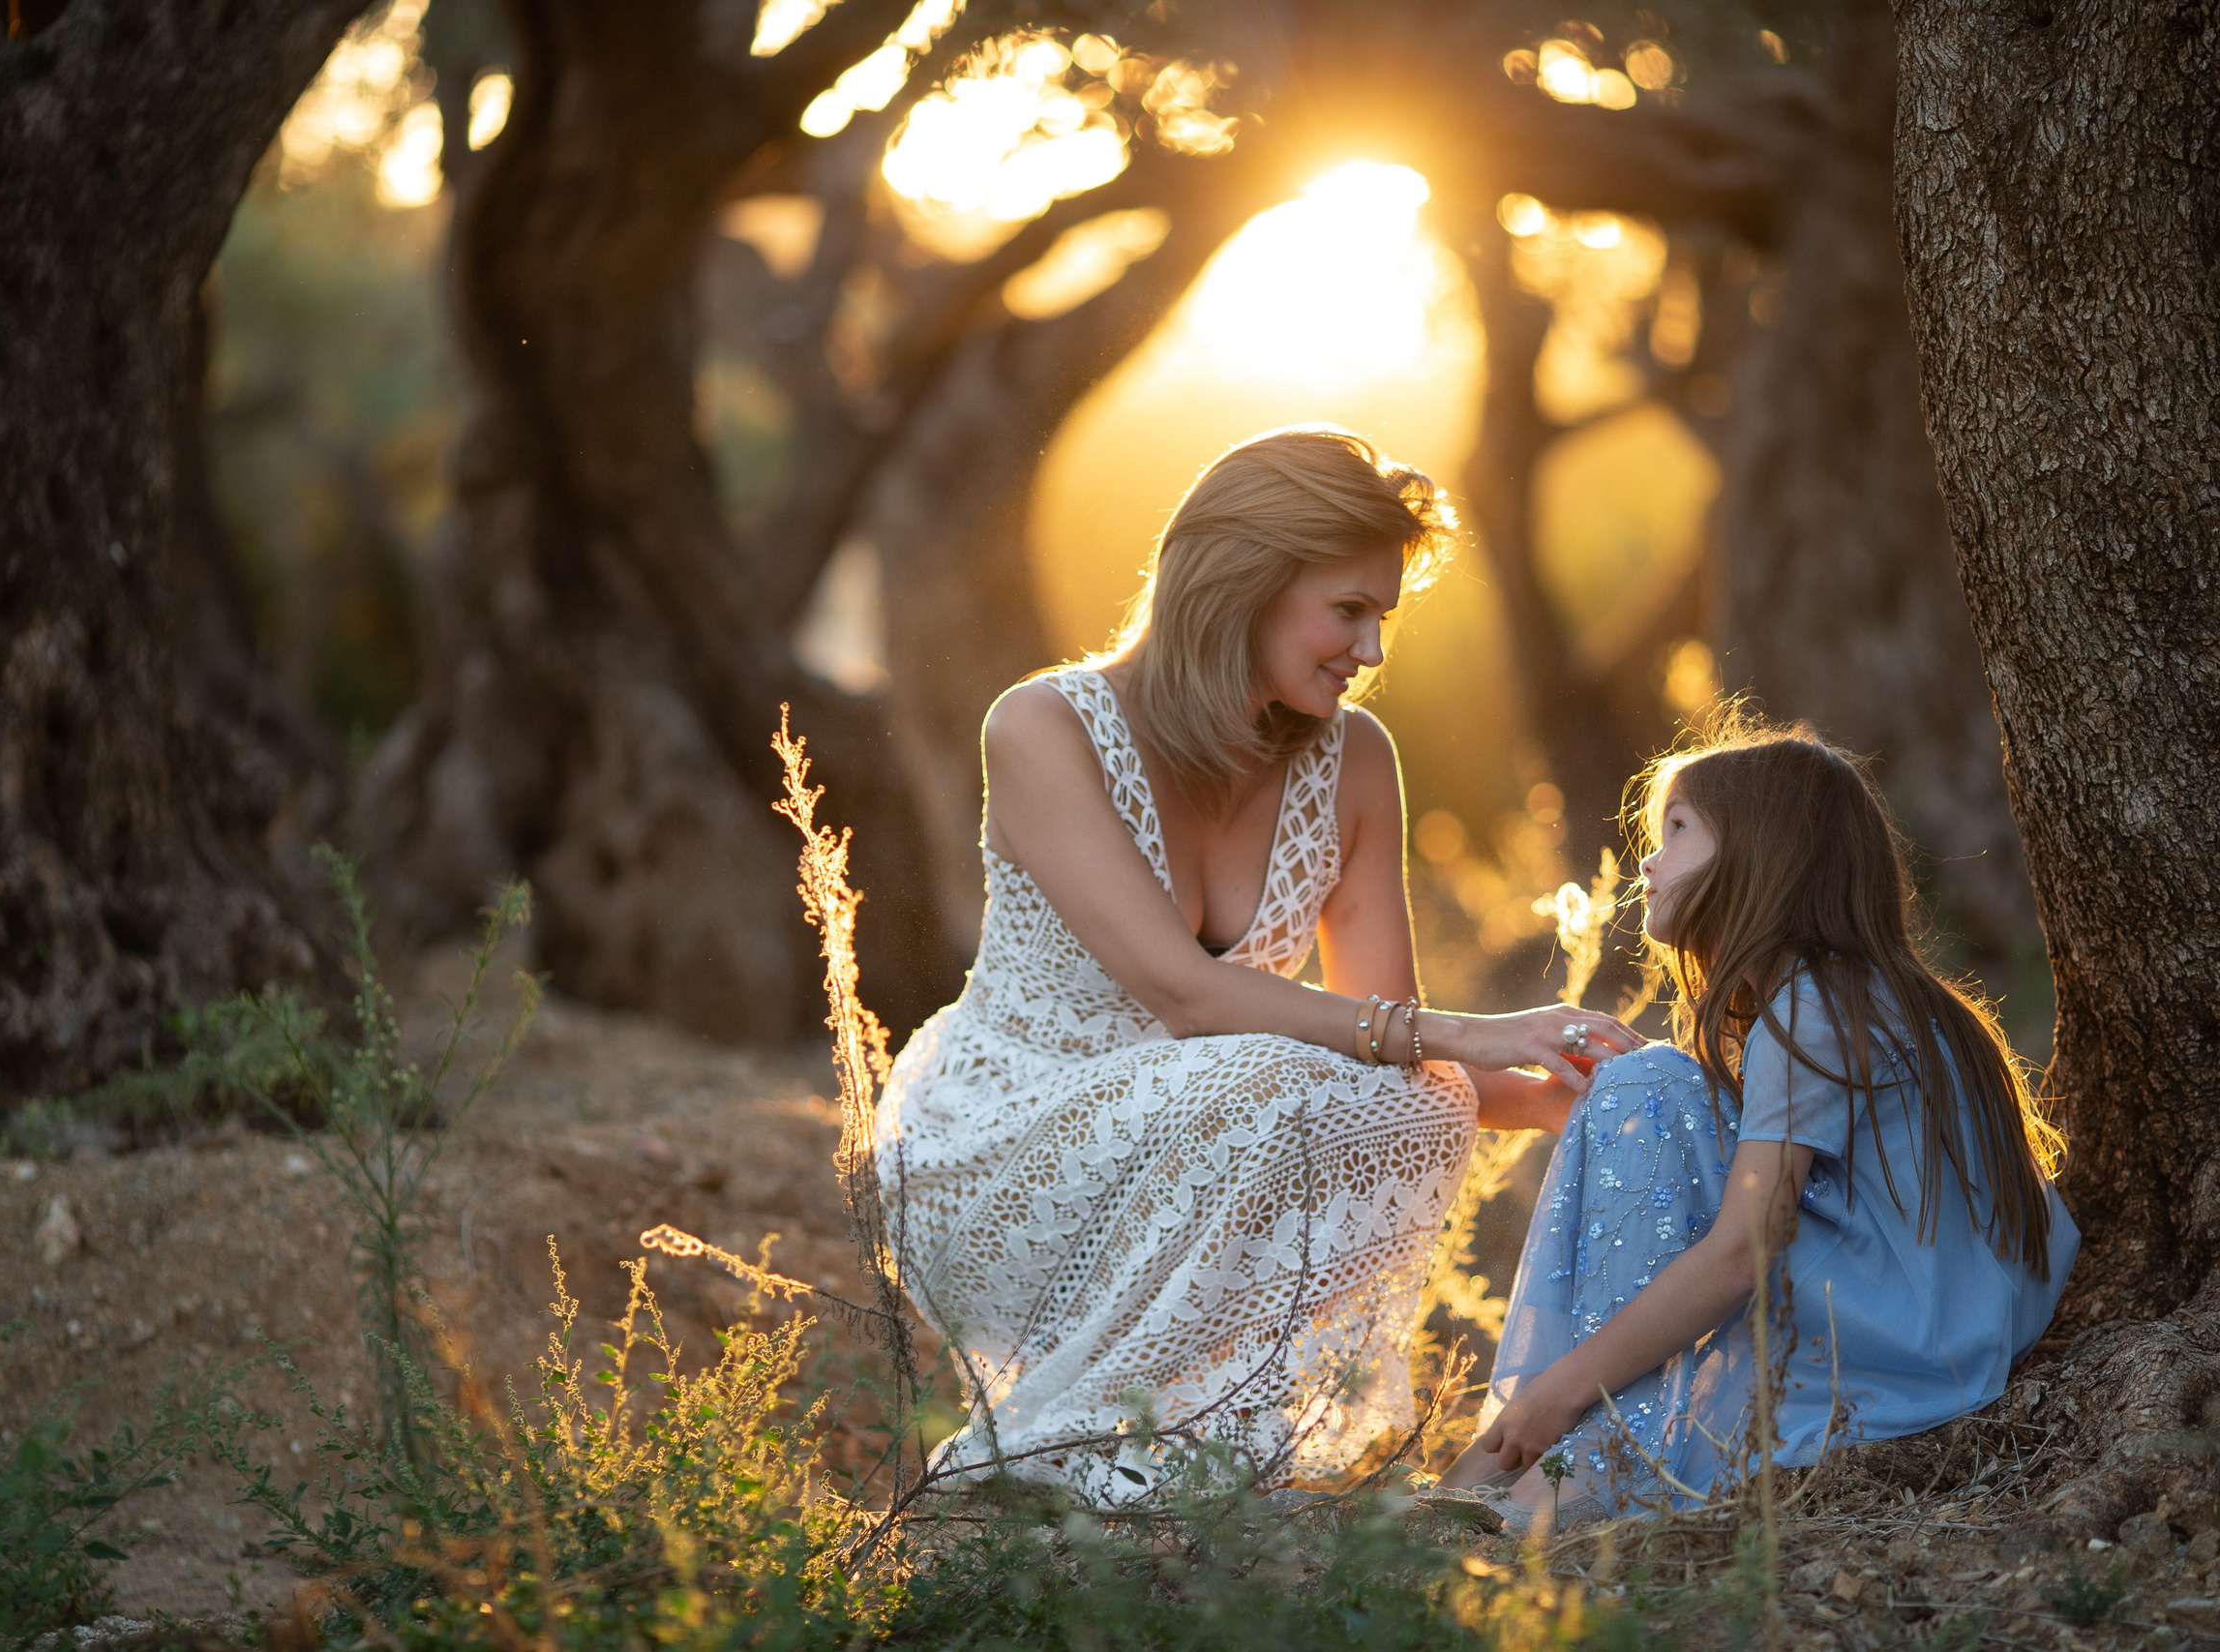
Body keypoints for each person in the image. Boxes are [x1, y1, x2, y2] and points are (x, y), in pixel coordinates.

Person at [873, 426, 1637, 1502]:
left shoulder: (1354, 758)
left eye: (1383, 618)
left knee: (1401, 1097)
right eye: (1349, 610)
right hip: (1004, 1164)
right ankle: (1059, 1456)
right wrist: (1476, 1030)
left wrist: (1567, 1091)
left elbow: (1387, 1062)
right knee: (1278, 1074)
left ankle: (1194, 1460)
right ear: (1243, 582)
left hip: (1201, 1147)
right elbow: (1187, 997)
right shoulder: (1044, 725)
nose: (1371, 651)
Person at [1443, 712, 2079, 1523]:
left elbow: (1743, 1252)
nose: (1648, 859)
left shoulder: (1811, 1006)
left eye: (1677, 829)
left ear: (1761, 852)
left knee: (1646, 1085)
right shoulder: (1863, 994)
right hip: (1944, 1323)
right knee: (1650, 1087)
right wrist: (1634, 1108)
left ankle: (1593, 1440)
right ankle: (1518, 1457)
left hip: (1909, 1345)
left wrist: (1565, 1388)